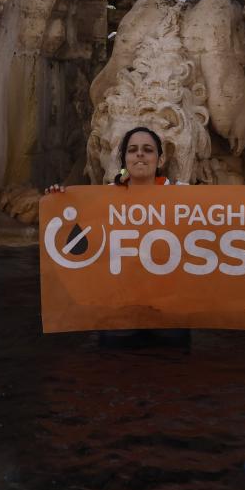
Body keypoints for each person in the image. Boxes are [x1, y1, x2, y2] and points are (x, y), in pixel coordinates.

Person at [47, 126, 192, 350]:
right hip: (120, 313)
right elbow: (80, 239)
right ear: (125, 159)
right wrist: (57, 202)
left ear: (160, 160)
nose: (140, 154)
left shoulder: (184, 195)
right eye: (133, 150)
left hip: (168, 311)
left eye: (148, 150)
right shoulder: (105, 199)